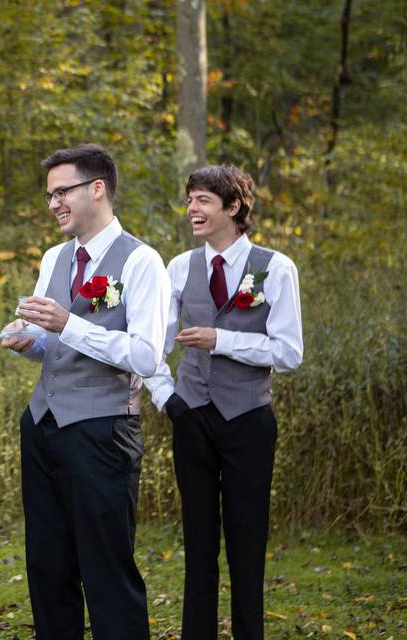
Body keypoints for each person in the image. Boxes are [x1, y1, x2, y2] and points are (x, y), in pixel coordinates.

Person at [0, 143, 170, 640]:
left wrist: (68, 325)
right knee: (48, 568)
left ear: (97, 189)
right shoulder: (55, 256)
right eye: (49, 195)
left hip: (103, 432)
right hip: (42, 426)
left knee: (107, 570)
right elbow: (52, 340)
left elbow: (147, 356)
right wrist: (28, 340)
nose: (52, 203)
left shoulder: (143, 262)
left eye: (62, 192)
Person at [144, 165, 302, 640]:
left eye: (204, 200)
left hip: (250, 419)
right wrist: (167, 398)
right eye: (190, 199)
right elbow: (151, 347)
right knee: (198, 542)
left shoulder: (276, 267)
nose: (193, 208)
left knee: (247, 541)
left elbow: (290, 352)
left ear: (233, 207)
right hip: (191, 415)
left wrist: (223, 339)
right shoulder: (177, 267)